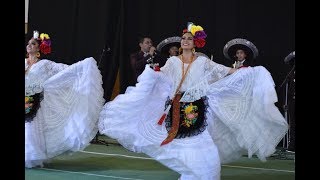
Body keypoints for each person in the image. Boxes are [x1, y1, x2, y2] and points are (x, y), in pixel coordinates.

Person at [98, 22, 288, 180]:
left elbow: (224, 71)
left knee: (201, 144)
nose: (186, 41)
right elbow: (162, 77)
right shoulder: (172, 62)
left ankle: (200, 173)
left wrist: (244, 72)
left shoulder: (203, 62)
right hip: (176, 108)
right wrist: (153, 73)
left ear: (195, 42)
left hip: (197, 108)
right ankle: (191, 172)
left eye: (189, 38)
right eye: (184, 38)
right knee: (180, 145)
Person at [25, 30, 105, 168]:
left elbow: (64, 69)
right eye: (28, 44)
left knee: (30, 129)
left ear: (39, 48)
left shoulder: (44, 64)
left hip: (35, 101)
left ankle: (30, 156)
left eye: (32, 44)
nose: (29, 46)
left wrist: (82, 67)